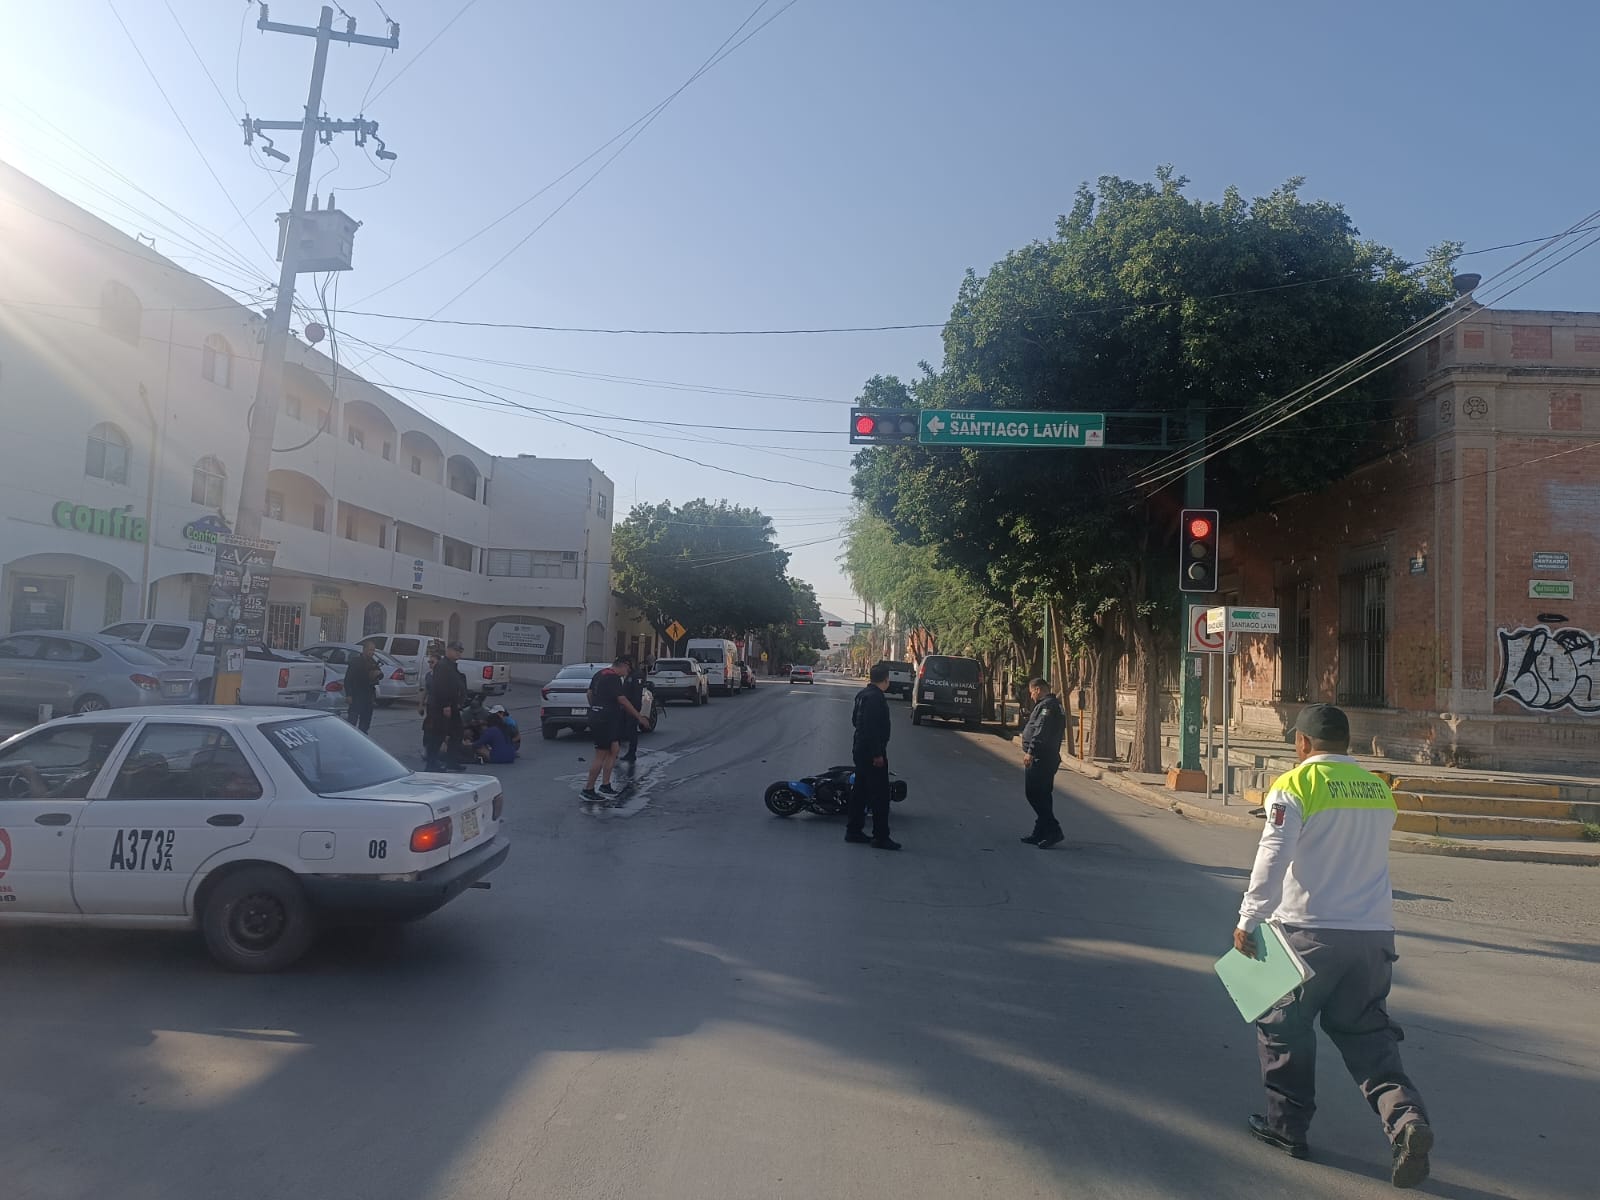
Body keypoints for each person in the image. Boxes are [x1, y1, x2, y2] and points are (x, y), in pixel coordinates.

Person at [1233, 703, 1433, 1189]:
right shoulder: (1377, 789)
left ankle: (1286, 1128)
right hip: (1372, 936)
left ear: (1302, 743)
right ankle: (1406, 1120)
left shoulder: (1296, 784)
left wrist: (1248, 918)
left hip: (1307, 932)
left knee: (1284, 1030)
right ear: (1346, 743)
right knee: (1368, 1036)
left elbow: (1273, 853)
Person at [846, 662, 899, 850]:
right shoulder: (876, 698)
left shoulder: (863, 694)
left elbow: (856, 721)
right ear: (886, 680)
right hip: (871, 752)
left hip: (860, 748)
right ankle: (881, 837)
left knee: (860, 791)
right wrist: (877, 754)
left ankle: (853, 830)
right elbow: (871, 728)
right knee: (880, 796)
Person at [581, 656, 642, 806]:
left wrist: (594, 707)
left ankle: (605, 785)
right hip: (604, 720)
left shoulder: (600, 674)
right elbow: (622, 700)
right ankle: (588, 789)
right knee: (601, 754)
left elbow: (589, 693)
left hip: (603, 718)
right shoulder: (613, 678)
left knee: (614, 749)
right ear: (623, 666)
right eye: (627, 669)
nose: (627, 673)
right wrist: (639, 717)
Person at [1019, 676, 1067, 848]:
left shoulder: (1047, 706)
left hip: (1041, 758)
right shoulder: (1054, 705)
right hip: (1047, 757)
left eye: (1032, 692)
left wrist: (1031, 752)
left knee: (1034, 794)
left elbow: (1041, 730)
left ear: (1038, 689)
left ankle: (1054, 830)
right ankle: (1040, 831)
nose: (1031, 696)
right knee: (1042, 796)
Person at [425, 642, 469, 772]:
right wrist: (446, 705)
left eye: (460, 651)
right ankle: (431, 764)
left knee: (457, 733)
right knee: (438, 735)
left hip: (453, 706)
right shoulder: (442, 666)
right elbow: (441, 687)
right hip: (442, 706)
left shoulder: (452, 666)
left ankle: (451, 761)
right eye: (456, 650)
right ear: (448, 650)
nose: (458, 653)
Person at [343, 642, 383, 734]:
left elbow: (380, 674)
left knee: (365, 722)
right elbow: (348, 679)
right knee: (352, 721)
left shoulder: (373, 662)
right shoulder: (356, 661)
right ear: (364, 650)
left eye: (373, 650)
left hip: (368, 696)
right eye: (370, 650)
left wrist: (377, 674)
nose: (372, 652)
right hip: (356, 695)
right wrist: (349, 695)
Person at [619, 657, 647, 764]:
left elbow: (637, 694)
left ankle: (632, 753)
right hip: (624, 706)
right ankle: (616, 751)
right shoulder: (628, 675)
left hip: (632, 706)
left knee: (631, 730)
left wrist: (634, 709)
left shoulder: (637, 675)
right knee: (620, 729)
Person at [419, 649, 441, 767]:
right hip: (430, 705)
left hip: (439, 705)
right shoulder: (428, 675)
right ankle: (426, 748)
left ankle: (435, 752)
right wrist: (421, 704)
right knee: (427, 728)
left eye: (432, 662)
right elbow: (425, 690)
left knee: (437, 730)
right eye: (429, 662)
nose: (430, 664)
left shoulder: (442, 676)